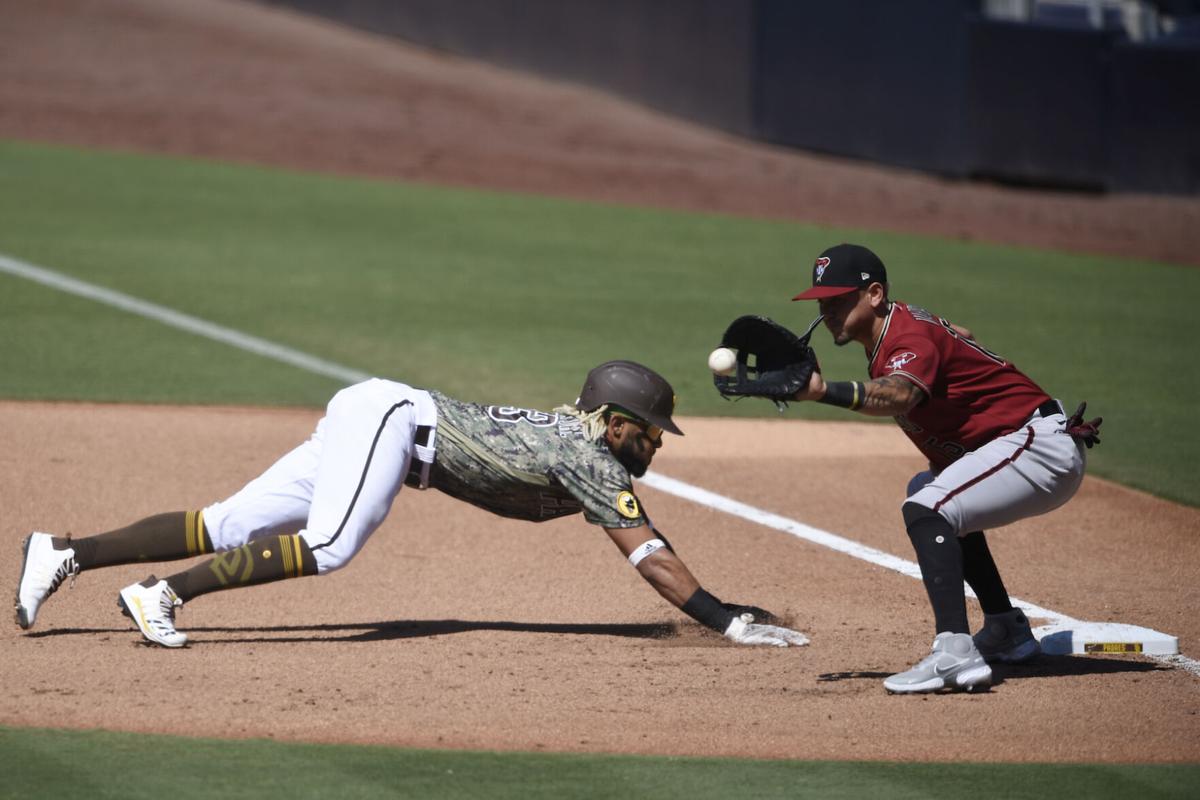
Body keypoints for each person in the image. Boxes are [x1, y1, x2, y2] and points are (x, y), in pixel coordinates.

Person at [14, 361, 808, 650]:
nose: (658, 444)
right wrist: (722, 619)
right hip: (397, 424)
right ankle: (162, 595)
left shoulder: (584, 444)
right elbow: (646, 550)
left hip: (383, 413)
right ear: (618, 422)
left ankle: (64, 552)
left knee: (232, 524)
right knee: (330, 545)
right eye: (652, 431)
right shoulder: (587, 455)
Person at [789, 243, 1099, 694]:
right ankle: (1006, 630)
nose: (827, 310)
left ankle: (954, 653)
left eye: (837, 299)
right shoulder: (896, 329)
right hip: (1023, 444)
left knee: (927, 507)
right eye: (822, 301)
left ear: (874, 294)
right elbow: (959, 332)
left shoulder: (906, 337)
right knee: (930, 488)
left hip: (1038, 448)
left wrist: (822, 393)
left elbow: (899, 396)